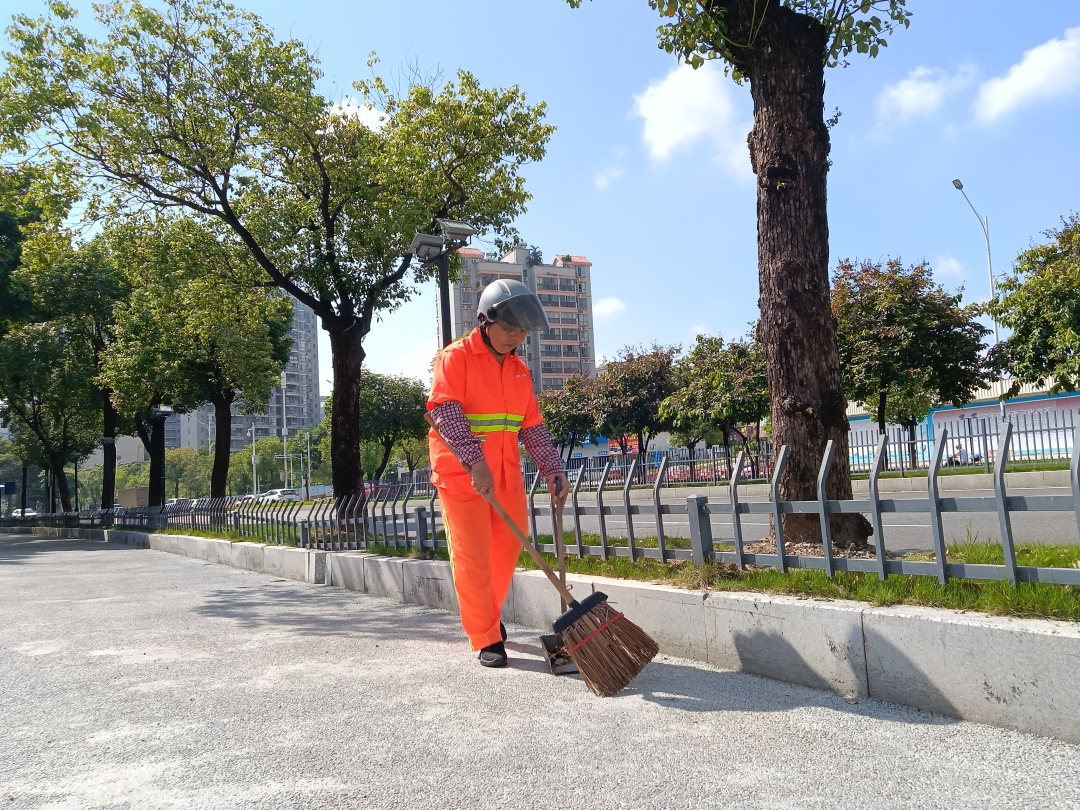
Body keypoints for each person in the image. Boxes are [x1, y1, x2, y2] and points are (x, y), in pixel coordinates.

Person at [427, 279, 569, 668]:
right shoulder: (456, 358)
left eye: (522, 331)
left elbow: (532, 426)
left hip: (504, 476)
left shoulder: (520, 370)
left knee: (507, 550)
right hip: (462, 476)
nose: (516, 337)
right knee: (473, 558)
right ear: (485, 321)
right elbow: (446, 412)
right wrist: (475, 462)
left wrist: (552, 467)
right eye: (509, 328)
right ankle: (486, 635)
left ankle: (486, 615)